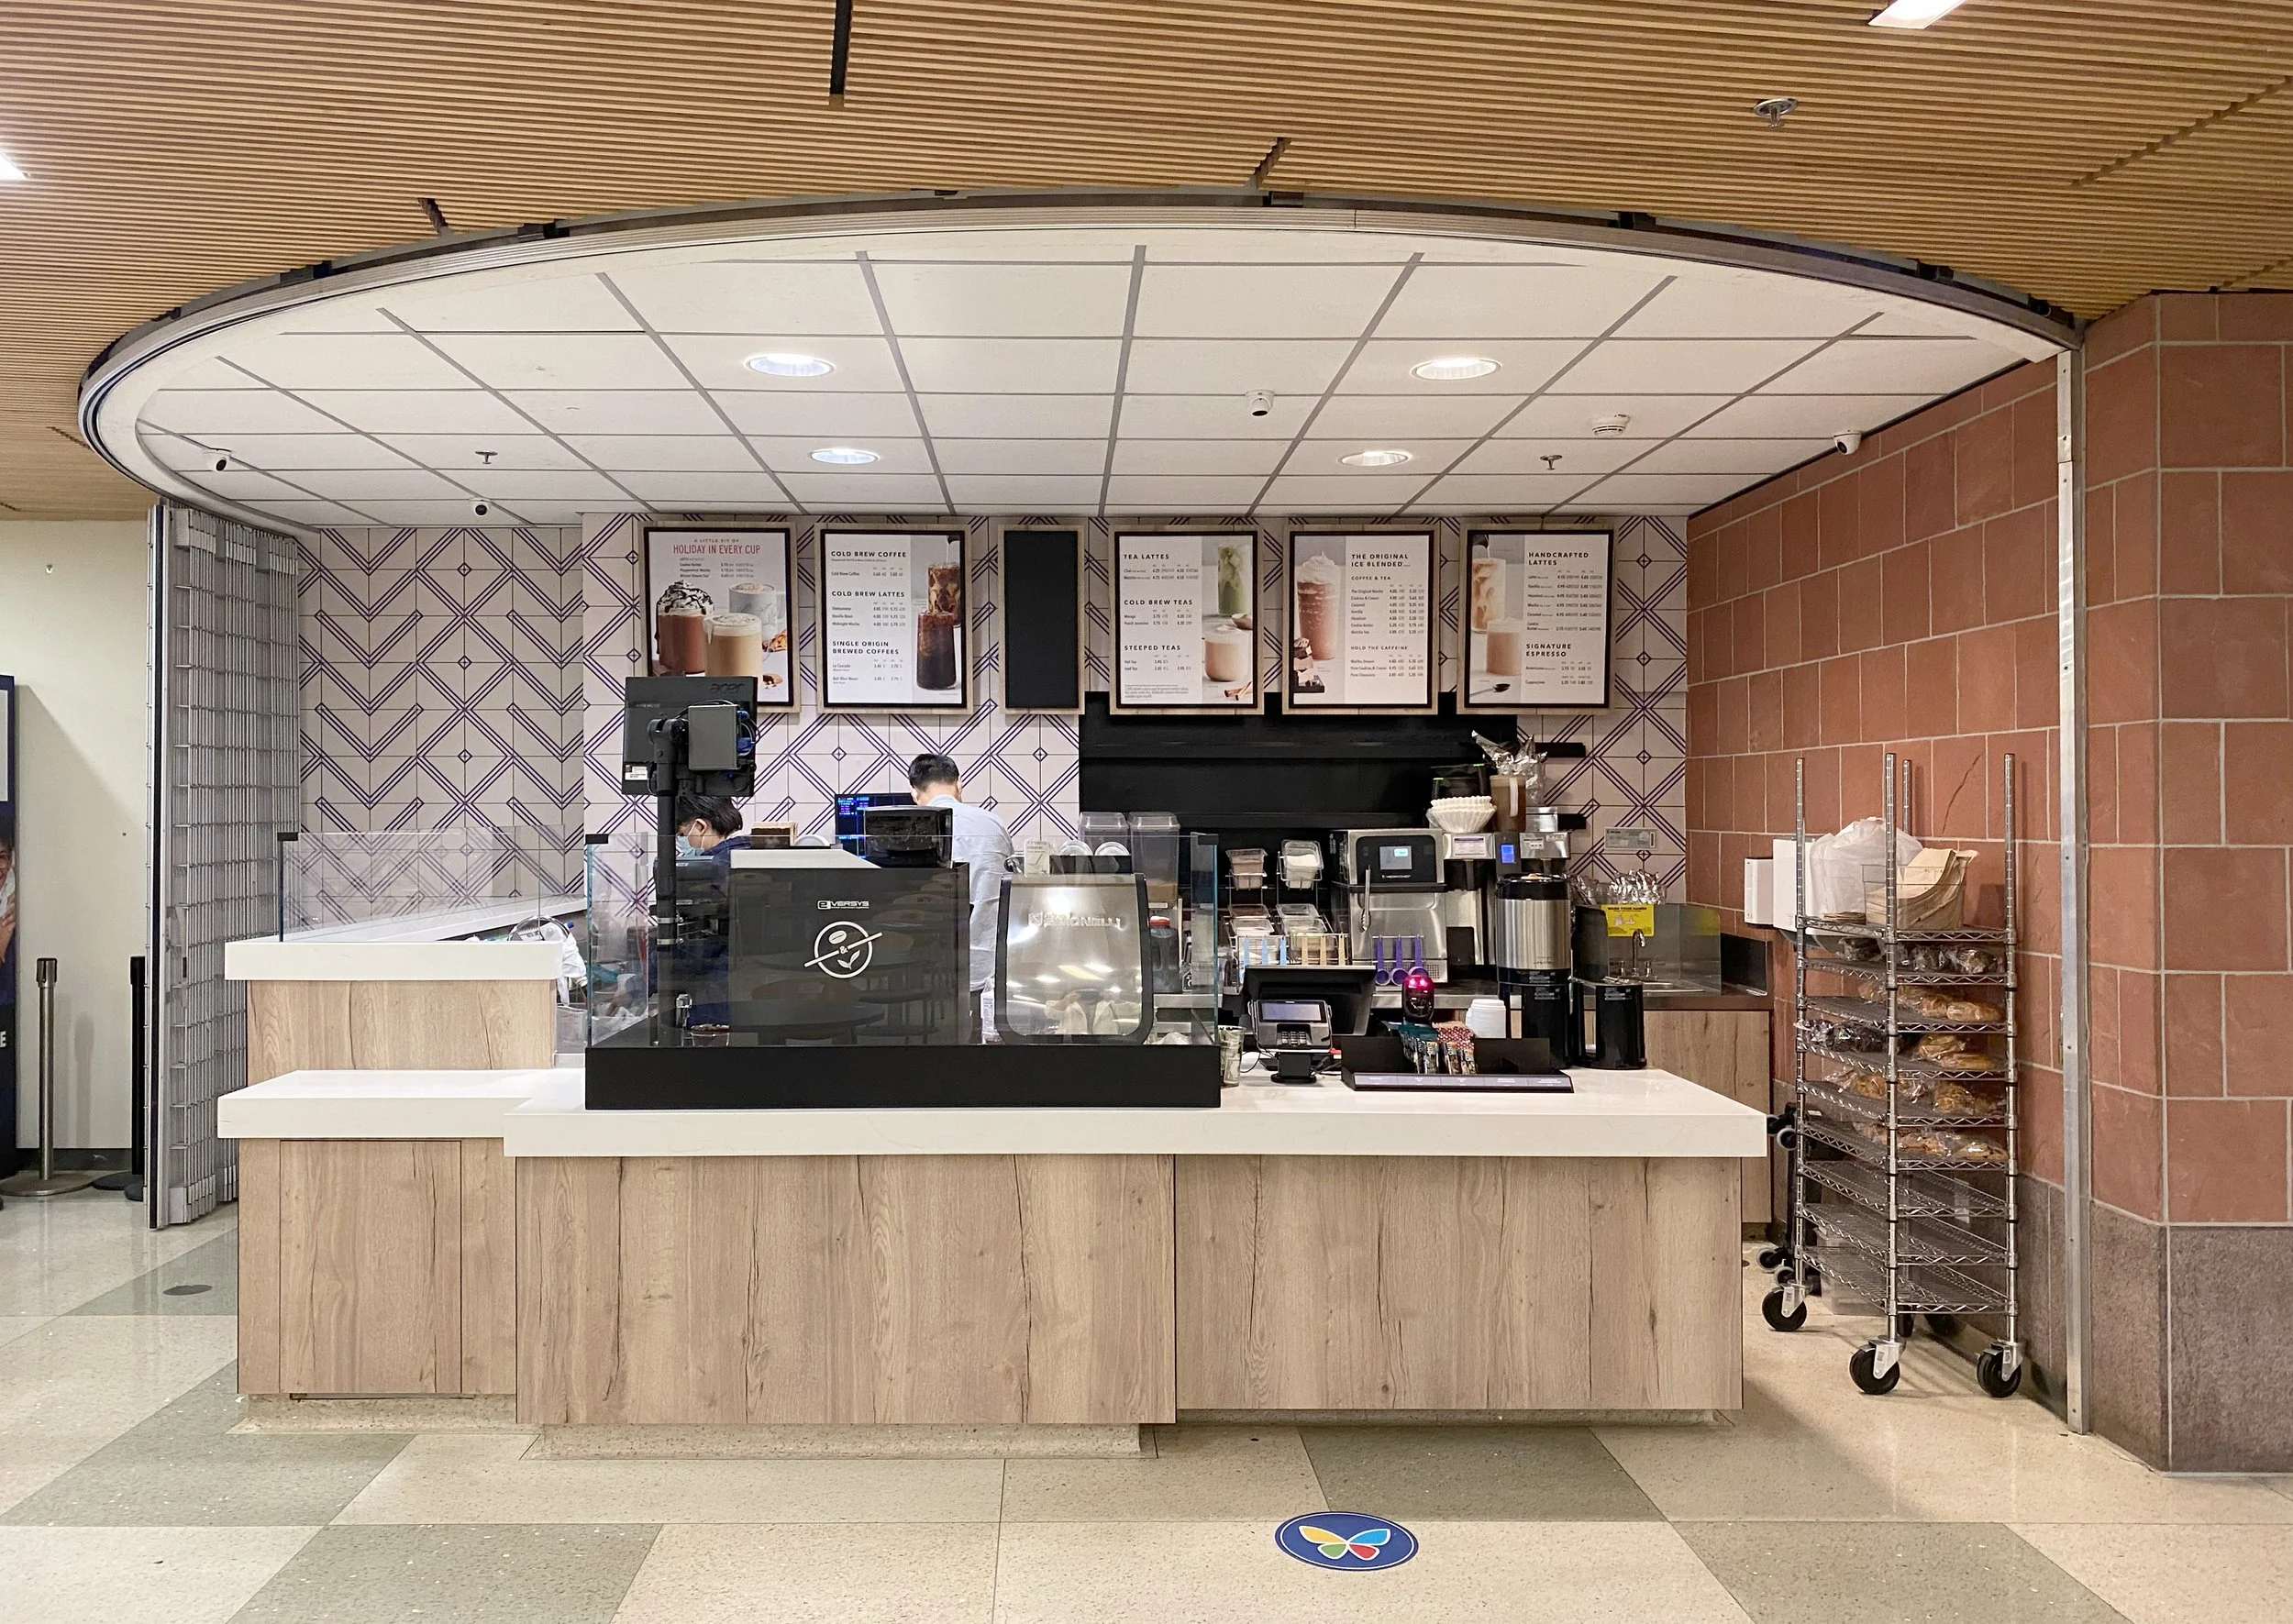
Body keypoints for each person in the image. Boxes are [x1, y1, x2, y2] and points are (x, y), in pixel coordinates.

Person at [908, 753, 1011, 1039]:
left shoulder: (914, 826)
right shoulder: (993, 823)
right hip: (990, 962)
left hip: (929, 968)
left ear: (914, 793)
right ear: (959, 785)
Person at [673, 793, 748, 865]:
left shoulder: (716, 866)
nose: (681, 843)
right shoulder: (750, 848)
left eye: (682, 834)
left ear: (700, 827)